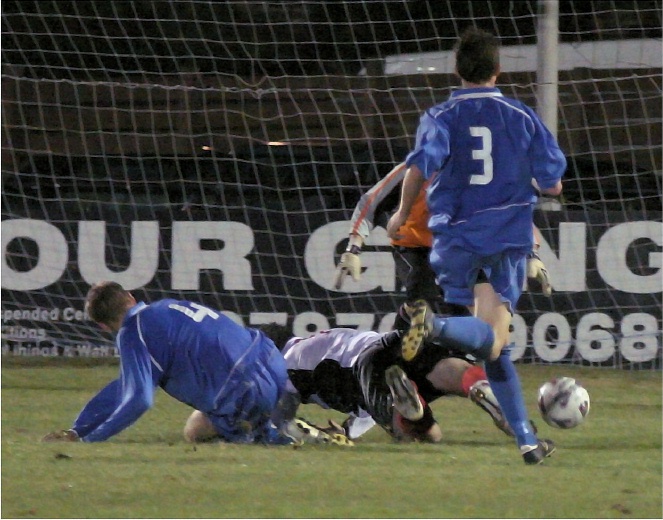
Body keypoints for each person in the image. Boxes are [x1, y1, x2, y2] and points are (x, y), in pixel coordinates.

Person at [386, 28, 566, 465]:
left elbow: (419, 169)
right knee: (491, 341)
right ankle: (435, 329)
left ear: (456, 69)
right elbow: (553, 185)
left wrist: (399, 213)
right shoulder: (521, 117)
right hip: (503, 239)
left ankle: (526, 440)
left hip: (452, 241)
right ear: (498, 69)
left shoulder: (440, 116)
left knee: (495, 346)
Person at [41, 281, 351, 446]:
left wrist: (92, 439)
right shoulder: (166, 306)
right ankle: (285, 422)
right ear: (131, 298)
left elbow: (138, 399)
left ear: (104, 327)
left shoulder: (132, 333)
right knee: (221, 410)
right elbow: (126, 386)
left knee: (195, 431)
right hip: (272, 360)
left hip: (246, 389)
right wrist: (78, 430)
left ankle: (302, 437)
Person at [333, 163, 553, 329]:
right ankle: (401, 341)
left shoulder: (483, 176)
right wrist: (353, 248)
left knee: (469, 317)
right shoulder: (416, 169)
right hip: (414, 245)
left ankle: (445, 359)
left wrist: (532, 254)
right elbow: (370, 202)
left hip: (458, 249)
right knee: (421, 298)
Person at [261, 323, 519, 443]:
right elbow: (365, 413)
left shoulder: (284, 363)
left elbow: (280, 422)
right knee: (446, 371)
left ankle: (412, 412)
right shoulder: (320, 340)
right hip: (390, 341)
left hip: (365, 367)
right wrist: (347, 431)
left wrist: (318, 437)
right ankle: (490, 397)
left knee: (422, 436)